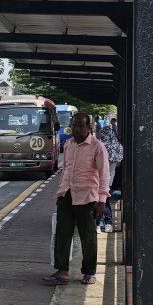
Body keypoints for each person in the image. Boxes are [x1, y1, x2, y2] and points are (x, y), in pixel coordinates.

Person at [44, 112, 110, 286]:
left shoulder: (97, 147)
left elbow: (104, 175)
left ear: (89, 127)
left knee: (87, 237)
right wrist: (61, 190)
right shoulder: (69, 144)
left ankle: (89, 272)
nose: (77, 129)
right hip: (66, 194)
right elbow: (66, 169)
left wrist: (102, 200)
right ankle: (62, 271)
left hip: (87, 197)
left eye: (81, 126)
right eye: (74, 125)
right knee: (62, 235)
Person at [95, 117, 124, 232]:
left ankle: (101, 223)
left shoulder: (100, 147)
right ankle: (107, 223)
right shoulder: (118, 147)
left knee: (100, 201)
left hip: (99, 179)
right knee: (105, 199)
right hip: (111, 180)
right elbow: (118, 164)